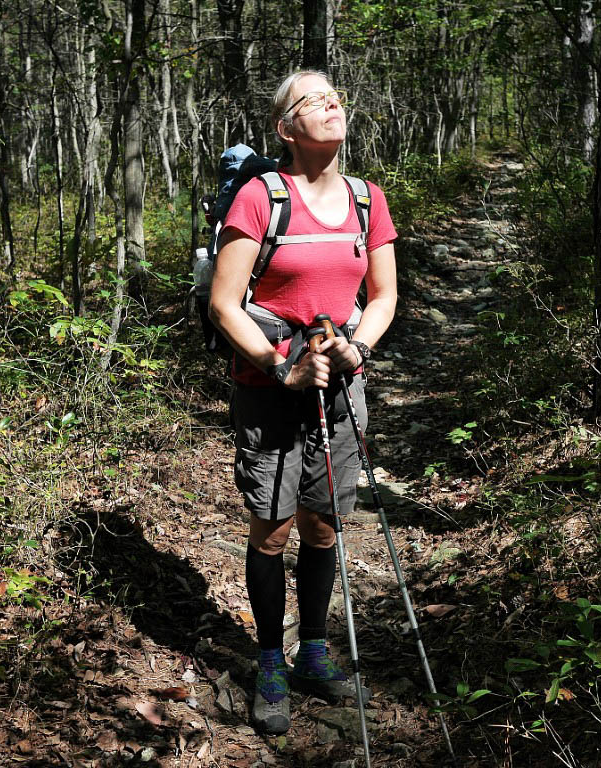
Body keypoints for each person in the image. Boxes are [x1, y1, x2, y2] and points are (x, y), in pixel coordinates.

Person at [208, 70, 397, 735]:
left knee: (323, 524)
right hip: (270, 391)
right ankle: (268, 661)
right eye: (310, 101)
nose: (330, 103)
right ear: (286, 129)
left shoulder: (368, 201)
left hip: (341, 390)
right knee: (274, 527)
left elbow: (382, 297)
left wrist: (358, 349)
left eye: (335, 96)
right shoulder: (261, 199)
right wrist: (278, 365)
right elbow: (224, 303)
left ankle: (313, 653)